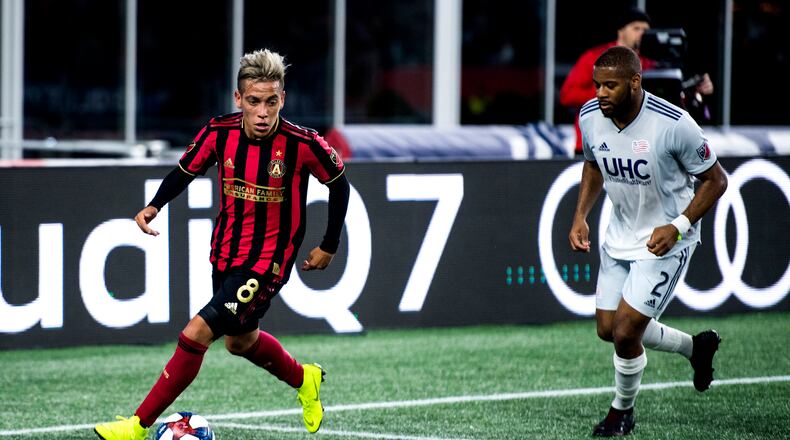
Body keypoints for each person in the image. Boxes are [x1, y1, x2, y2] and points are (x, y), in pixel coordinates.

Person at [94, 48, 350, 440]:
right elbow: (184, 171)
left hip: (269, 261)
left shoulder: (302, 143)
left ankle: (135, 426)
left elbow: (339, 185)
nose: (263, 112)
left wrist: (329, 244)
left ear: (283, 98)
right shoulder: (219, 132)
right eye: (253, 101)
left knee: (197, 332)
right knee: (239, 341)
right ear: (238, 99)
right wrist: (154, 205)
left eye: (271, 101)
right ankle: (305, 379)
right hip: (226, 252)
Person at [568, 46, 728, 437]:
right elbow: (593, 163)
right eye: (597, 85)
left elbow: (716, 181)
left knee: (625, 332)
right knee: (608, 329)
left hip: (667, 241)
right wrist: (580, 216)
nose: (600, 93)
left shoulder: (674, 124)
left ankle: (621, 412)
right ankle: (697, 348)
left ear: (635, 82)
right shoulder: (591, 117)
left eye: (610, 85)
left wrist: (678, 225)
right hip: (619, 236)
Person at [560, 7, 714, 154]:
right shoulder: (595, 57)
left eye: (645, 30)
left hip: (637, 147)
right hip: (595, 144)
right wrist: (614, 92)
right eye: (636, 28)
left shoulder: (650, 64)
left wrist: (695, 90)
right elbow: (568, 95)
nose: (641, 33)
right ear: (621, 30)